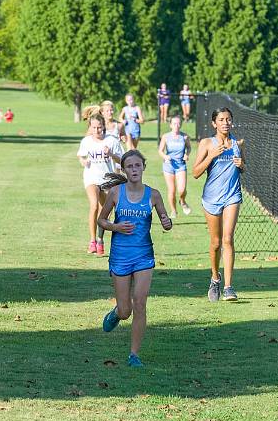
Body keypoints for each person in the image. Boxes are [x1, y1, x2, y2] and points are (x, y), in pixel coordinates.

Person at [98, 150, 172, 368]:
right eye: (129, 167)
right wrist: (115, 226)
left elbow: (164, 219)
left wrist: (167, 223)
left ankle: (134, 355)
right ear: (124, 170)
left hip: (143, 256)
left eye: (137, 166)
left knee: (140, 303)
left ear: (143, 168)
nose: (134, 170)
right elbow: (101, 220)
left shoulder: (154, 195)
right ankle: (116, 313)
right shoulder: (115, 193)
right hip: (120, 256)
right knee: (125, 310)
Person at [192, 107, 245, 302]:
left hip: (232, 196)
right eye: (221, 119)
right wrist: (211, 155)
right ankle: (215, 278)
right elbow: (196, 172)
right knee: (215, 243)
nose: (225, 122)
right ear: (214, 123)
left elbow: (243, 166)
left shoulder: (238, 143)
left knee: (228, 239)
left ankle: (229, 287)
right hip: (212, 198)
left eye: (228, 119)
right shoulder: (206, 143)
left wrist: (242, 165)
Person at [77, 109, 123, 256]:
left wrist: (110, 154)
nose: (96, 130)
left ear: (104, 126)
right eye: (94, 127)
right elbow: (81, 156)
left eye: (99, 127)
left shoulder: (111, 141)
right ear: (90, 127)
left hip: (107, 180)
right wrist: (84, 161)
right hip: (91, 178)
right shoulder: (86, 141)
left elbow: (122, 160)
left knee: (105, 211)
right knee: (93, 205)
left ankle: (100, 239)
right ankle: (91, 241)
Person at [158, 115, 192, 218]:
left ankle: (182, 201)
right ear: (170, 125)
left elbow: (189, 148)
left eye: (178, 123)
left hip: (181, 165)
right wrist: (165, 156)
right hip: (168, 166)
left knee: (182, 189)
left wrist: (187, 154)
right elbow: (160, 151)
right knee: (172, 190)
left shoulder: (184, 137)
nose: (176, 125)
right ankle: (173, 211)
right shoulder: (165, 136)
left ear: (180, 124)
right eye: (174, 123)